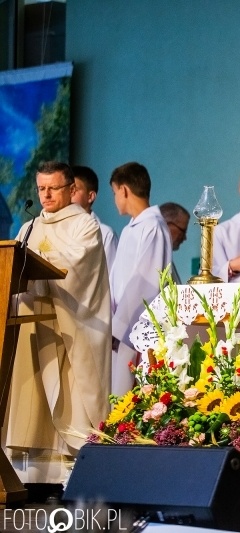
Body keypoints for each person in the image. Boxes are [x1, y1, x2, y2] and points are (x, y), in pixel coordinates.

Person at [6, 161, 111, 486]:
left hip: (69, 325)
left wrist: (43, 259)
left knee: (69, 394)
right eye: (41, 188)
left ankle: (71, 472)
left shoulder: (85, 225)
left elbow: (78, 267)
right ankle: (32, 473)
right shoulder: (28, 228)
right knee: (33, 395)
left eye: (53, 188)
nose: (46, 195)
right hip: (33, 322)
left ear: (71, 189)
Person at [108, 162, 172, 396]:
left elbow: (145, 283)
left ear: (124, 190)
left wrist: (118, 327)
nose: (115, 199)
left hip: (135, 329)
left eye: (114, 192)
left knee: (130, 395)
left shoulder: (153, 226)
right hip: (120, 326)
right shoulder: (130, 229)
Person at [71, 165, 118, 268]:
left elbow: (111, 275)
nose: (69, 195)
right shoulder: (58, 229)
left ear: (90, 196)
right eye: (67, 190)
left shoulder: (105, 234)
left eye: (74, 190)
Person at [159, 202, 191, 283]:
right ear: (167, 225)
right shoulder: (153, 256)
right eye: (183, 231)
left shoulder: (165, 255)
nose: (185, 238)